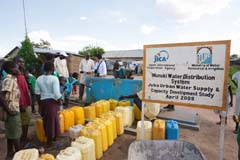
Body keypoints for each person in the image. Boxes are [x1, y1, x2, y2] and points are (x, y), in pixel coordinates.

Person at [35, 61, 62, 146]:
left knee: (47, 121)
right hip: (52, 102)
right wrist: (60, 101)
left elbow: (37, 93)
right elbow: (57, 93)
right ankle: (50, 141)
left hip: (43, 101)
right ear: (53, 69)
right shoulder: (54, 78)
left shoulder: (39, 78)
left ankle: (52, 137)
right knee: (54, 121)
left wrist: (39, 105)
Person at [0, 61, 21, 159]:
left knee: (11, 133)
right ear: (9, 69)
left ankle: (9, 153)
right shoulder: (8, 80)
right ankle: (19, 154)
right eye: (16, 68)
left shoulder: (13, 79)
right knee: (15, 134)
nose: (18, 69)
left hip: (14, 109)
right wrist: (9, 111)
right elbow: (1, 96)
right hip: (12, 110)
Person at [15, 57, 32, 145]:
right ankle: (23, 139)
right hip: (21, 102)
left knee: (26, 120)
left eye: (23, 62)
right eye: (19, 62)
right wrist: (22, 104)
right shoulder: (16, 76)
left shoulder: (23, 74)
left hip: (25, 101)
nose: (21, 64)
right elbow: (19, 91)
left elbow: (25, 88)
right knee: (23, 121)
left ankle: (24, 137)